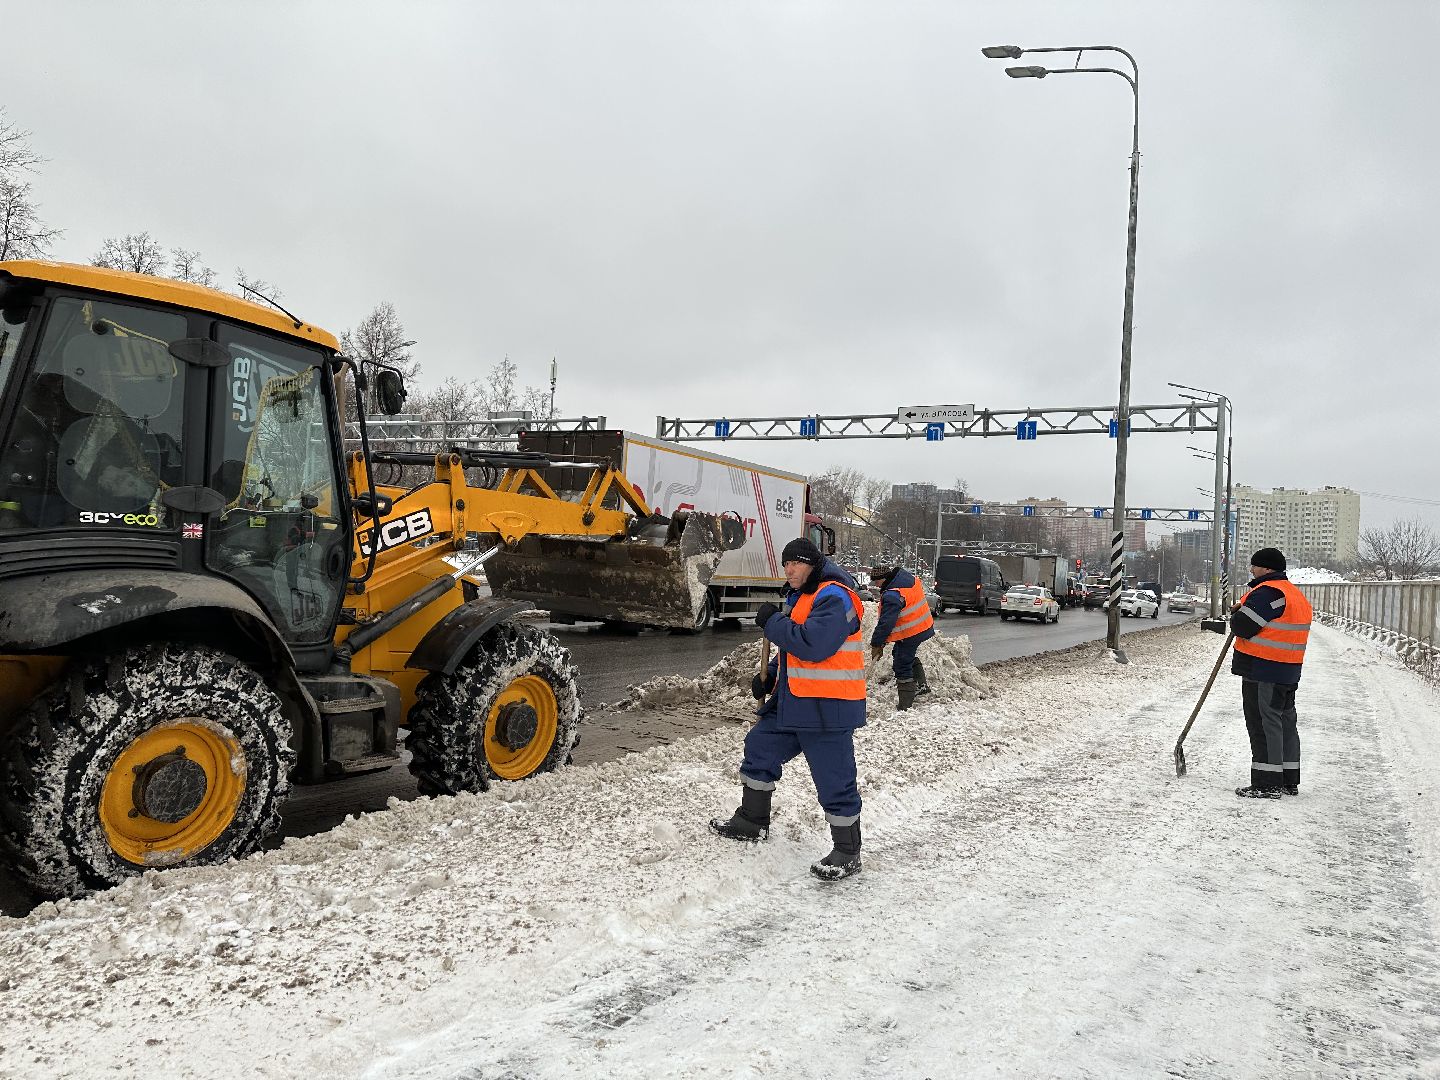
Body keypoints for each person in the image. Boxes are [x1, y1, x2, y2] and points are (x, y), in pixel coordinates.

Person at [709, 537, 867, 880]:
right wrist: (772, 679)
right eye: (785, 564)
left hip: (828, 708)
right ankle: (752, 821)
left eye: (795, 563)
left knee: (834, 779)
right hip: (796, 703)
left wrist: (773, 624)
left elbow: (813, 644)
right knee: (760, 747)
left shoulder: (836, 596)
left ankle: (847, 851)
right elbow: (794, 654)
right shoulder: (804, 596)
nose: (788, 570)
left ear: (812, 564)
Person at [1228, 547, 1312, 799]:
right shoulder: (1294, 594)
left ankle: (1267, 783)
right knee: (1284, 724)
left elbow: (1243, 626)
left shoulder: (1269, 593)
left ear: (1265, 568)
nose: (1251, 570)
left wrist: (1237, 613)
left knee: (1264, 725)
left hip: (1263, 669)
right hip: (1287, 670)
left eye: (1254, 566)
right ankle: (1287, 780)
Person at [868, 566, 935, 710]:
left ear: (884, 579)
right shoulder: (905, 580)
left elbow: (886, 623)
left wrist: (877, 643)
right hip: (922, 625)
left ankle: (905, 704)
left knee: (901, 663)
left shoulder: (893, 594)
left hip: (912, 631)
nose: (876, 585)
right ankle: (921, 685)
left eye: (877, 582)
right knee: (900, 654)